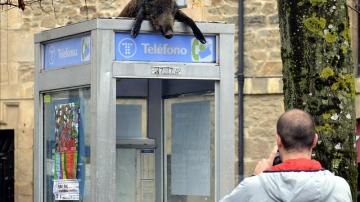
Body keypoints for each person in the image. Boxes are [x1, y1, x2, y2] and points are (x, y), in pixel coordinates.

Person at [220, 109, 352, 202]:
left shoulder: (253, 187)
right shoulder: (339, 187)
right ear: (315, 140)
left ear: (278, 140)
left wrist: (256, 178)